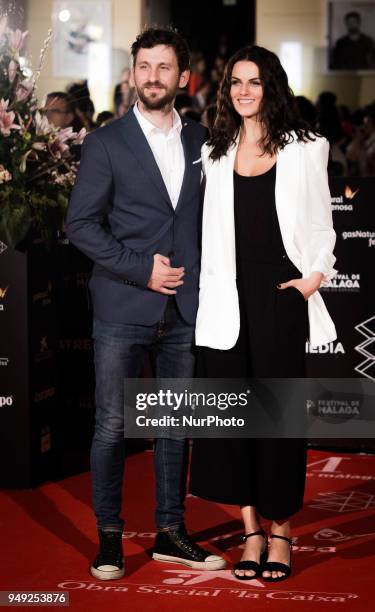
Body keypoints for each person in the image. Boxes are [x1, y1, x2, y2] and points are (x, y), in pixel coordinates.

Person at [65, 27, 225, 581]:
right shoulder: (105, 142)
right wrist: (141, 269)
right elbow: (80, 225)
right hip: (122, 308)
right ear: (132, 73)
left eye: (164, 67)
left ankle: (170, 531)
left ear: (184, 77)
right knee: (112, 427)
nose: (152, 77)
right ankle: (109, 538)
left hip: (184, 311)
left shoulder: (203, 141)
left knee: (174, 426)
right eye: (144, 66)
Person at [189, 45, 337, 582]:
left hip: (279, 297)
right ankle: (251, 532)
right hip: (226, 298)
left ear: (272, 86)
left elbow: (323, 226)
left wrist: (310, 281)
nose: (243, 91)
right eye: (235, 82)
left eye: (254, 81)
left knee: (277, 421)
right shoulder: (215, 150)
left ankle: (280, 532)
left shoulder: (305, 147)